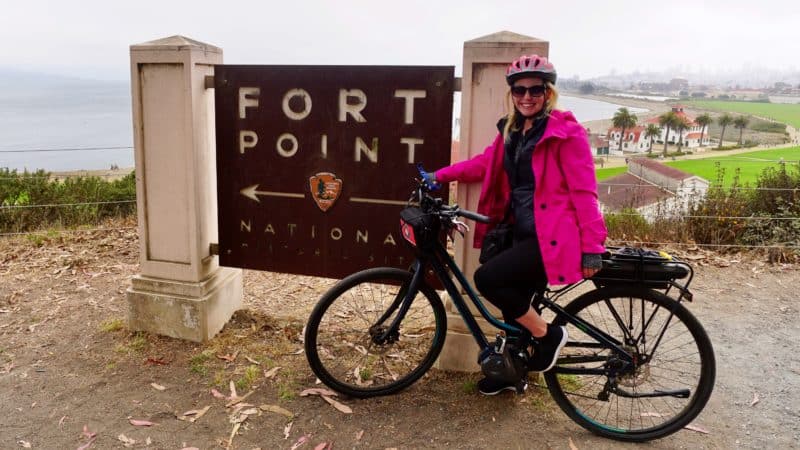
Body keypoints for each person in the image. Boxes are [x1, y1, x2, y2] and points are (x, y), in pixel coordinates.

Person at [424, 55, 608, 395]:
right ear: (511, 93)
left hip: (551, 236)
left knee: (488, 280)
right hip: (516, 229)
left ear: (548, 92)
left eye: (535, 89)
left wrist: (593, 247)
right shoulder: (511, 130)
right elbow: (483, 164)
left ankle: (548, 335)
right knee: (515, 304)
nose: (527, 96)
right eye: (519, 89)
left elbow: (585, 192)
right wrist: (439, 176)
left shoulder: (566, 134)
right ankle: (509, 373)